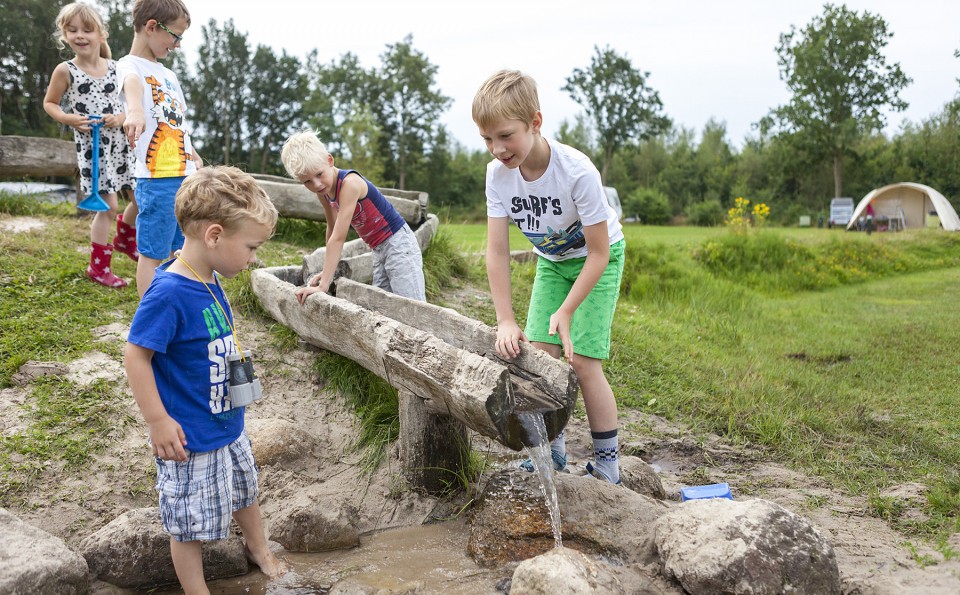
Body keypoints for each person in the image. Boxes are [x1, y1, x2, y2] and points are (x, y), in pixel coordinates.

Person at [124, 166, 286, 593]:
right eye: (251, 247)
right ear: (214, 235)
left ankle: (259, 549)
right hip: (188, 436)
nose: (254, 257)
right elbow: (135, 356)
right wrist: (158, 421)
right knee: (187, 525)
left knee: (244, 490)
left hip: (226, 423)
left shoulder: (209, 275)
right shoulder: (169, 293)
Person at [472, 70, 626, 485]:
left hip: (597, 261)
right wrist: (505, 318)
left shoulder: (576, 172)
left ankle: (608, 466)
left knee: (584, 361)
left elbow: (598, 253)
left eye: (506, 135)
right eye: (487, 139)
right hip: (553, 263)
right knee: (539, 359)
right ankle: (551, 452)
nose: (497, 149)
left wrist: (567, 310)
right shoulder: (497, 176)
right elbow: (498, 252)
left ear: (535, 122)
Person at [43, 1, 140, 288]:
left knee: (140, 199)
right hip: (93, 147)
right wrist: (69, 118)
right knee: (108, 207)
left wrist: (121, 117)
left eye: (87, 29)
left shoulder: (117, 68)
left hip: (122, 145)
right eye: (72, 30)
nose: (80, 35)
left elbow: (129, 105)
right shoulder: (65, 70)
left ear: (101, 34)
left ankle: (124, 237)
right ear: (65, 35)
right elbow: (50, 103)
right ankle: (98, 267)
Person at [280, 130, 426, 303]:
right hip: (378, 248)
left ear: (329, 160)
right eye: (307, 182)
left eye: (319, 174)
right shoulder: (323, 191)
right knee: (385, 303)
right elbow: (332, 228)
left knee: (411, 304)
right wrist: (328, 271)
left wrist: (323, 285)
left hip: (399, 243)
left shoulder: (350, 184)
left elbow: (339, 238)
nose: (316, 184)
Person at [118, 0, 202, 297]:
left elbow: (178, 122)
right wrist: (135, 111)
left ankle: (176, 303)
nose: (177, 45)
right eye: (175, 36)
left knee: (183, 248)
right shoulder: (129, 66)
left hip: (186, 174)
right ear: (151, 26)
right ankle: (150, 313)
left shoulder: (171, 76)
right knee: (153, 251)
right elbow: (133, 87)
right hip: (157, 179)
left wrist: (193, 156)